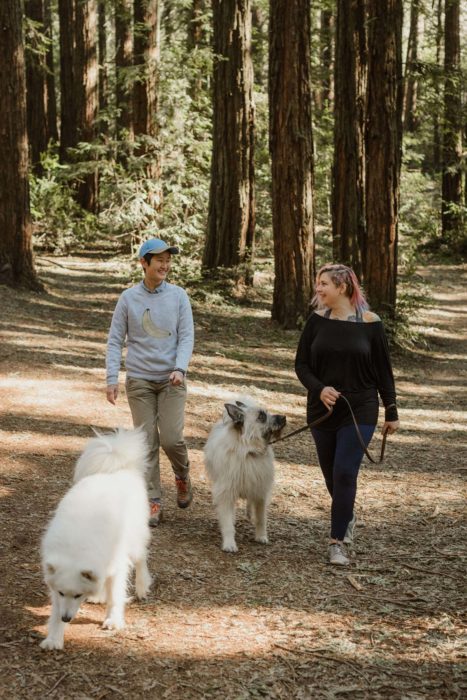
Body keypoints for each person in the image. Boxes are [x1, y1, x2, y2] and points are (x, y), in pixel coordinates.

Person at [295, 263, 400, 565]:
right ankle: (347, 514)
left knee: (344, 472)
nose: (318, 289)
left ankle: (337, 542)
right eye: (318, 283)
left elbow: (383, 371)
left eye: (324, 283)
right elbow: (301, 365)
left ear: (342, 287)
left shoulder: (371, 323)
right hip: (322, 410)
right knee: (332, 476)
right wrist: (319, 388)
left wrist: (391, 409)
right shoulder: (316, 321)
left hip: (361, 408)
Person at [106, 237, 195, 527]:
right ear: (144, 263)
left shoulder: (179, 296)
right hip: (140, 381)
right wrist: (111, 377)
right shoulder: (128, 298)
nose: (166, 265)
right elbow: (115, 340)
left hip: (172, 380)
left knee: (171, 438)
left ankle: (182, 475)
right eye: (160, 260)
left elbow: (186, 336)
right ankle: (153, 499)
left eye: (168, 260)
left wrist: (180, 368)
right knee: (147, 442)